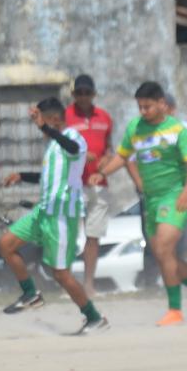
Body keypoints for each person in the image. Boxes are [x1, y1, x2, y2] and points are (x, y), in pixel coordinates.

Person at [92, 81, 187, 327]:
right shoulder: (135, 128)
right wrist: (104, 172)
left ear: (162, 104)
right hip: (150, 200)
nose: (143, 112)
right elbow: (123, 155)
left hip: (174, 197)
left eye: (147, 107)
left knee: (163, 249)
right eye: (140, 107)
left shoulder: (178, 131)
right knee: (165, 256)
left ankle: (175, 310)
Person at [0, 98, 108, 334]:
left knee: (60, 274)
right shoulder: (53, 146)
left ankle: (94, 318)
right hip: (44, 211)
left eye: (43, 120)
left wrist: (44, 128)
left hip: (61, 214)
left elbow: (74, 149)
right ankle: (30, 294)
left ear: (54, 120)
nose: (40, 126)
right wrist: (22, 176)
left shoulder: (73, 138)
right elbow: (49, 177)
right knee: (6, 244)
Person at [65, 74, 114, 298]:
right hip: (74, 184)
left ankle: (88, 285)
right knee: (68, 234)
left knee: (93, 236)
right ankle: (67, 283)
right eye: (79, 93)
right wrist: (81, 156)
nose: (83, 97)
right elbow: (59, 149)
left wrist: (104, 161)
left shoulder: (104, 117)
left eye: (87, 93)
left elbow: (110, 149)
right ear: (74, 94)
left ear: (93, 94)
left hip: (99, 184)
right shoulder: (66, 117)